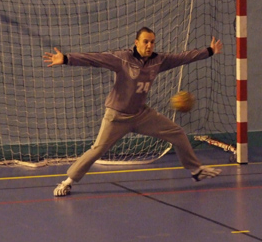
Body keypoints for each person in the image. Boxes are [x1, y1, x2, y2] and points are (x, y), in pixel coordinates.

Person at [43, 26, 223, 196]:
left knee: (177, 133)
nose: (149, 45)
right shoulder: (122, 59)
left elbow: (183, 57)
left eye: (152, 42)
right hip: (117, 116)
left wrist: (209, 51)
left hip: (141, 115)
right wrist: (66, 58)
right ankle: (67, 182)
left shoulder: (158, 61)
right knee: (97, 149)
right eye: (145, 42)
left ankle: (196, 170)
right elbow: (94, 59)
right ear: (136, 42)